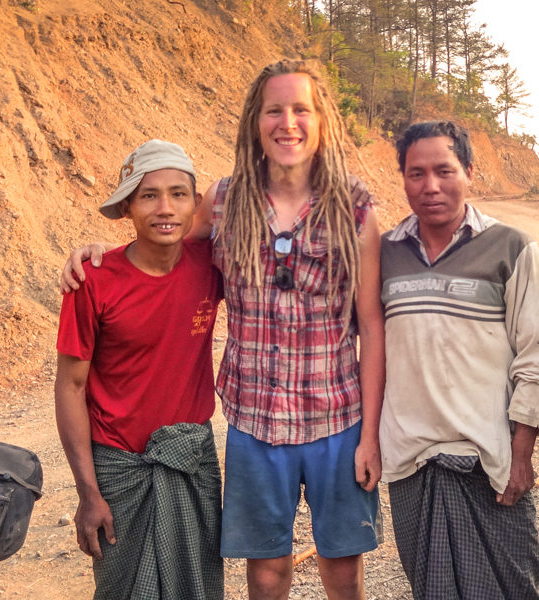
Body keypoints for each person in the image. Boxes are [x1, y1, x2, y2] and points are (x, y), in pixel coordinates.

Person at [61, 59, 385, 600]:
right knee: (264, 573)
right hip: (254, 422)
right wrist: (96, 254)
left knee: (345, 572)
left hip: (337, 417)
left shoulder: (352, 208)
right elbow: (164, 239)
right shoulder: (225, 200)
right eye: (274, 110)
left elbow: (371, 327)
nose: (288, 122)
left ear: (321, 120)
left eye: (301, 109)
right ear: (254, 122)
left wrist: (370, 435)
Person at [378, 120, 539, 599]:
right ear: (402, 178)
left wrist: (522, 456)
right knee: (432, 587)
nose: (430, 186)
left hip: (489, 459)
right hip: (412, 460)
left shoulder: (512, 248)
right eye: (416, 174)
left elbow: (537, 361)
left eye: (444, 170)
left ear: (470, 172)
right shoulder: (384, 253)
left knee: (510, 585)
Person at [54, 139, 224, 600]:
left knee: (200, 587)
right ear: (128, 206)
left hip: (191, 460)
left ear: (195, 205)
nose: (164, 208)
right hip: (118, 468)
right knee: (122, 589)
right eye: (148, 196)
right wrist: (88, 493)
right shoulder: (93, 281)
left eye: (178, 194)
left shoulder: (212, 264)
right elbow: (70, 387)